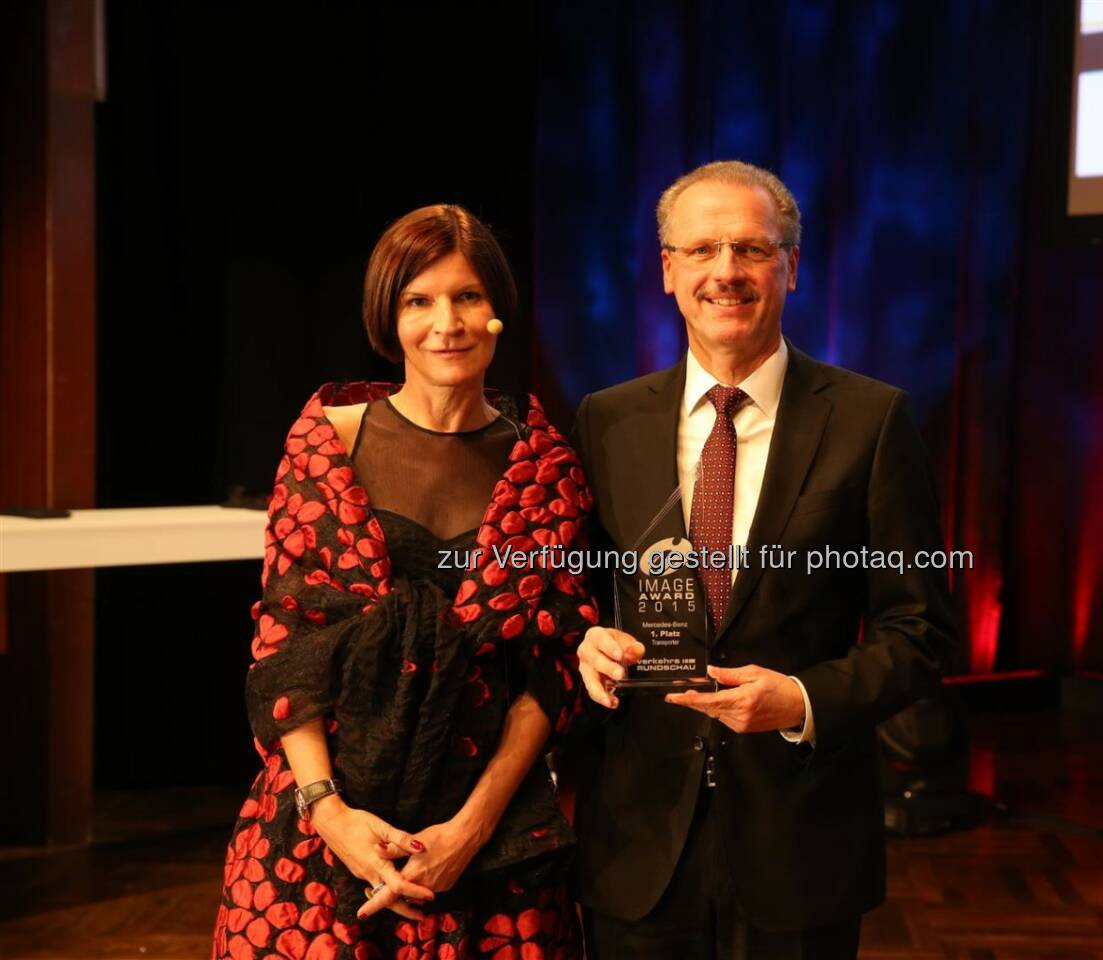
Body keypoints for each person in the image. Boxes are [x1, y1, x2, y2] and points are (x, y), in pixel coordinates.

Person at [570, 161, 954, 958]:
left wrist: (803, 699)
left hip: (800, 838)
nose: (726, 271)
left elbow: (918, 631)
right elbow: (578, 599)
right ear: (668, 270)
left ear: (792, 267)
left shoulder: (870, 421)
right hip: (639, 841)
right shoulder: (607, 422)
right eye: (702, 248)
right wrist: (587, 641)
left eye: (751, 249)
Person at [211, 205, 593, 959]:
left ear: (497, 314)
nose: (444, 322)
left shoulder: (543, 463)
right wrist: (331, 815)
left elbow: (546, 674)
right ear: (389, 318)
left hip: (487, 844)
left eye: (467, 297)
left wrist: (468, 832)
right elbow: (287, 646)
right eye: (419, 301)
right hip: (321, 829)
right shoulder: (327, 443)